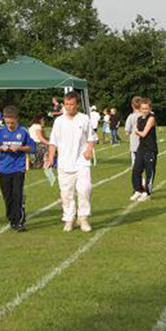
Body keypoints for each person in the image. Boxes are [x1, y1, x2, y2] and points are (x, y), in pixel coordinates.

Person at [46, 91, 95, 232]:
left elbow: (91, 138)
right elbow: (53, 142)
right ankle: (69, 219)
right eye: (66, 104)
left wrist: (89, 150)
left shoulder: (84, 119)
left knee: (84, 189)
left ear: (77, 105)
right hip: (64, 162)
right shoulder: (59, 121)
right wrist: (50, 158)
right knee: (66, 193)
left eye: (72, 104)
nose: (69, 107)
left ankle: (83, 218)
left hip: (82, 161)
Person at [0, 106, 36, 232]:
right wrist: (2, 148)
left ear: (17, 120)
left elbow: (31, 147)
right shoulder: (0, 132)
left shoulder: (23, 131)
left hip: (18, 168)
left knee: (17, 194)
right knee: (8, 196)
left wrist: (19, 148)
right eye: (7, 122)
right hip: (4, 168)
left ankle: (19, 221)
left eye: (12, 122)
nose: (10, 125)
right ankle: (12, 218)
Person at [130, 98, 158, 202]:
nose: (144, 110)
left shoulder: (151, 118)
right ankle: (138, 190)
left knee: (149, 171)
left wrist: (138, 132)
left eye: (146, 108)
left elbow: (143, 133)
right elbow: (137, 130)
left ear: (150, 108)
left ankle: (147, 192)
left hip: (150, 148)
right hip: (141, 147)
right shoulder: (139, 118)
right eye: (142, 108)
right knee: (136, 169)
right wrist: (138, 132)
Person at [125, 96, 142, 166]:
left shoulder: (131, 116)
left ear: (132, 106)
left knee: (135, 163)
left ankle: (138, 176)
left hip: (134, 142)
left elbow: (127, 131)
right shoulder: (146, 115)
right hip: (145, 143)